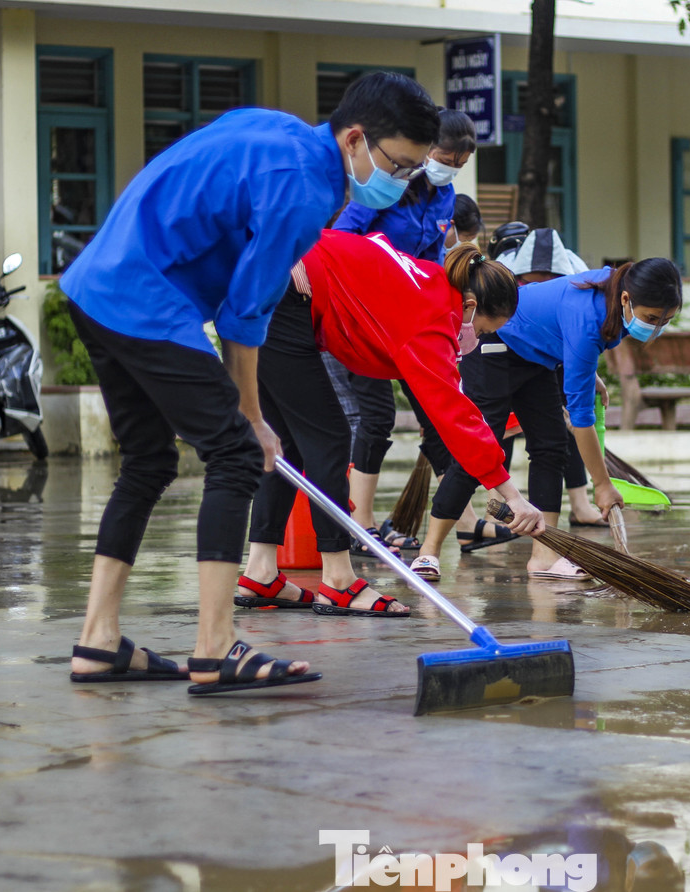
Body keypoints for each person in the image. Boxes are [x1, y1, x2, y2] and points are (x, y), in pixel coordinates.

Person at [57, 72, 439, 694]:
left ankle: (98, 641)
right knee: (236, 455)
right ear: (356, 138)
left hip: (96, 284)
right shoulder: (307, 188)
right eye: (398, 165)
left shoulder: (278, 130)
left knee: (149, 461)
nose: (399, 182)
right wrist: (254, 419)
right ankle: (215, 648)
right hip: (146, 296)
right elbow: (244, 313)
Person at [236, 233, 545, 610]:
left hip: (266, 272)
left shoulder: (429, 281)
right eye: (481, 330)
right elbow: (456, 415)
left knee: (286, 443)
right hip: (284, 288)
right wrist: (512, 496)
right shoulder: (432, 318)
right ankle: (337, 580)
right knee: (330, 439)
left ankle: (261, 571)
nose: (475, 340)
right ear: (470, 305)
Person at [412, 258, 684, 581]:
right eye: (652, 318)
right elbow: (581, 418)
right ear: (627, 300)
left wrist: (586, 370)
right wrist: (602, 485)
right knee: (480, 447)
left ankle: (544, 557)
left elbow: (564, 327)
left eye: (665, 320)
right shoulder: (589, 317)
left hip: (537, 356)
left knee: (552, 446)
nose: (656, 328)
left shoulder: (618, 290)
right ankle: (428, 552)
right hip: (498, 340)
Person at [329, 110, 480, 554]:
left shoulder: (446, 197)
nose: (450, 165)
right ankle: (361, 523)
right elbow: (338, 239)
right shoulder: (385, 186)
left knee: (436, 414)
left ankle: (466, 521)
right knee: (376, 418)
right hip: (359, 317)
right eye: (445, 155)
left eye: (460, 161)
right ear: (424, 147)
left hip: (406, 322)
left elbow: (432, 260)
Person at [495, 227, 604, 527]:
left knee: (564, 432)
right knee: (500, 428)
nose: (542, 287)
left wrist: (590, 373)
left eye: (551, 282)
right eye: (533, 282)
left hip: (559, 354)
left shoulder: (579, 273)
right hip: (511, 348)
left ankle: (580, 504)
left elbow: (584, 334)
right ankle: (504, 504)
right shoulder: (503, 268)